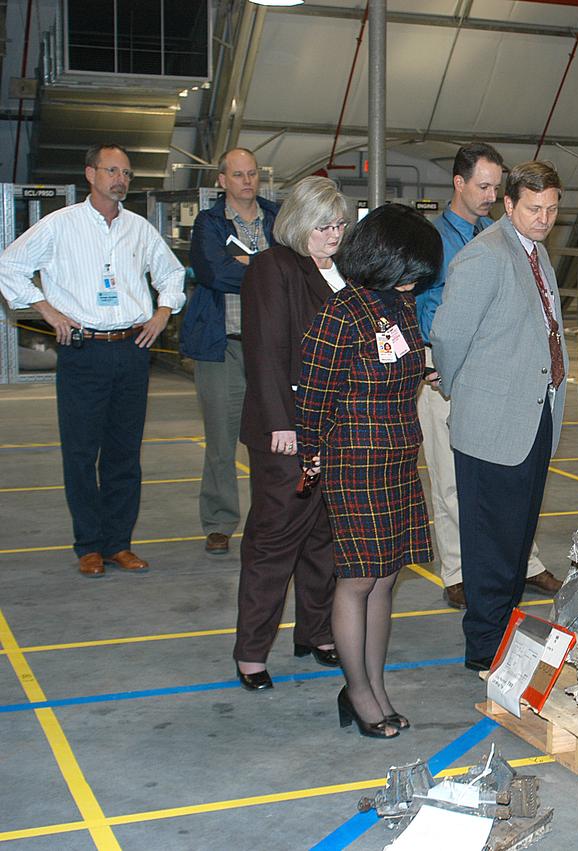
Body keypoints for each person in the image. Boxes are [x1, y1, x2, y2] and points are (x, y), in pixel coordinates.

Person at [0, 143, 184, 577]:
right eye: (111, 170)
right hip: (82, 352)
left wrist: (162, 311)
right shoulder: (59, 225)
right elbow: (9, 265)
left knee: (124, 454)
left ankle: (119, 543)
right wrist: (46, 309)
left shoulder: (139, 229)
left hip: (132, 350)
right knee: (81, 454)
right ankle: (88, 545)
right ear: (90, 174)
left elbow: (172, 273)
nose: (120, 179)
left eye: (126, 173)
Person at [296, 204, 442, 739]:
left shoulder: (398, 307)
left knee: (385, 577)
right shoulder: (342, 313)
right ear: (383, 260)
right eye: (410, 271)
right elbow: (313, 396)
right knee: (357, 579)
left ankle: (375, 686)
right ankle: (357, 693)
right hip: (354, 460)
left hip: (399, 456)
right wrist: (310, 451)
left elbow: (401, 365)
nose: (416, 283)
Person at [432, 161, 570, 672]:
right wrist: (460, 389)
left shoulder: (535, 253)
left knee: (514, 541)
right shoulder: (485, 255)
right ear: (509, 205)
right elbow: (448, 337)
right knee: (490, 545)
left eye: (552, 209)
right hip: (492, 423)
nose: (544, 218)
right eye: (534, 208)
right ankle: (485, 648)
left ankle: (505, 635)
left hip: (533, 419)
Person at [234, 176, 348, 690]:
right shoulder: (272, 267)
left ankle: (317, 631)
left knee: (324, 537)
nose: (335, 234)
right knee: (273, 541)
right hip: (289, 431)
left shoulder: (341, 271)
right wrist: (282, 423)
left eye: (341, 224)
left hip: (336, 429)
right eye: (325, 225)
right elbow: (264, 351)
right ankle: (252, 652)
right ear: (300, 224)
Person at [181, 148, 280, 556]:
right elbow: (213, 272)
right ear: (222, 180)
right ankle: (220, 522)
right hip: (221, 348)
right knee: (221, 441)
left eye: (252, 174)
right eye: (238, 175)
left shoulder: (277, 218)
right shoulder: (208, 223)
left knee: (273, 439)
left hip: (270, 350)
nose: (246, 181)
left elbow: (295, 268)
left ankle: (270, 519)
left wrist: (244, 262)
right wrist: (263, 267)